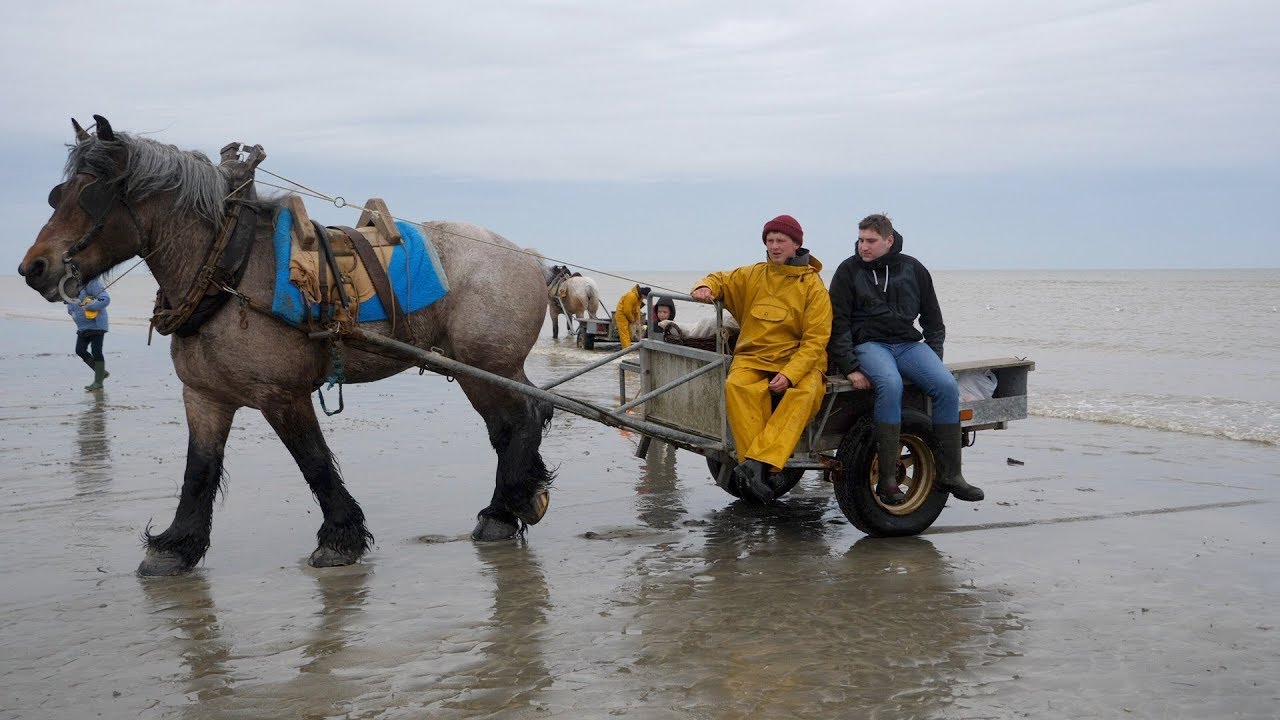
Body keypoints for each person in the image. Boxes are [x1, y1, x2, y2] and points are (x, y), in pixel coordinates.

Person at [827, 213, 983, 504]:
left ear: (889, 240)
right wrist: (849, 366)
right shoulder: (848, 271)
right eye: (861, 240)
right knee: (891, 383)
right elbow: (838, 324)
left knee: (946, 385)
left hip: (907, 344)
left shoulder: (913, 268)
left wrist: (934, 358)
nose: (864, 247)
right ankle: (887, 479)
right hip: (869, 344)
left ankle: (952, 475)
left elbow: (933, 321)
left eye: (871, 241)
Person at [691, 214, 832, 503]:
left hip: (800, 360)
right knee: (737, 385)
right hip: (754, 356)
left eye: (781, 241)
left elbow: (816, 340)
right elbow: (721, 279)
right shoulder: (752, 275)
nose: (775, 246)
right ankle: (762, 467)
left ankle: (755, 464)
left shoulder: (813, 287)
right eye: (770, 241)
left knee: (806, 393)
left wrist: (791, 374)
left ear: (796, 245)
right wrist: (705, 287)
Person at [67, 276, 111, 391]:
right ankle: (101, 373)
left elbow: (105, 299)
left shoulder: (90, 282)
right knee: (80, 350)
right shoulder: (69, 286)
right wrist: (71, 311)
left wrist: (90, 305)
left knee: (96, 351)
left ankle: (98, 382)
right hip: (82, 327)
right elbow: (70, 304)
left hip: (97, 325)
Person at [614, 284, 651, 349]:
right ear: (643, 294)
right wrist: (632, 320)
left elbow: (637, 310)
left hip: (630, 315)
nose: (645, 299)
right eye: (646, 297)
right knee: (625, 334)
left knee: (630, 334)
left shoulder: (639, 298)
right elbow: (627, 310)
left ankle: (627, 347)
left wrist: (638, 320)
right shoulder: (631, 296)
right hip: (622, 315)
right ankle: (626, 350)